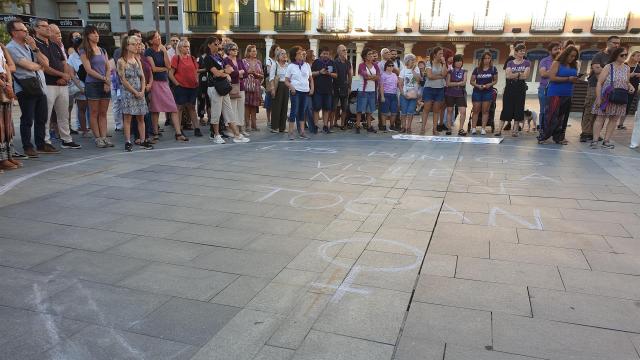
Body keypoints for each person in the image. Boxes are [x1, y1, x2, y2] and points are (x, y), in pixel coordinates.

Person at [6, 19, 51, 157]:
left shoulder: (30, 46)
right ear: (14, 33)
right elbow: (29, 66)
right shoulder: (11, 48)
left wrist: (35, 48)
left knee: (41, 117)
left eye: (26, 30)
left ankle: (41, 143)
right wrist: (40, 66)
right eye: (23, 30)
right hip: (25, 87)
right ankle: (27, 146)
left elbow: (46, 63)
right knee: (27, 118)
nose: (26, 32)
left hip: (39, 86)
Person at [33, 19, 79, 151]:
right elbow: (44, 66)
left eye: (49, 27)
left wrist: (65, 77)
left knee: (63, 114)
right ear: (36, 29)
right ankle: (45, 141)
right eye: (44, 26)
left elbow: (64, 62)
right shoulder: (35, 45)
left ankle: (66, 139)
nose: (47, 29)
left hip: (62, 84)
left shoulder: (55, 45)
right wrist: (62, 75)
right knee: (46, 115)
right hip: (48, 84)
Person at [202, 36, 249, 144]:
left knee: (229, 111)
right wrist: (226, 72)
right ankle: (216, 135)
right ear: (209, 45)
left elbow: (227, 67)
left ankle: (237, 135)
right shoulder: (208, 58)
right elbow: (216, 73)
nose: (218, 46)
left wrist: (226, 71)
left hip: (223, 87)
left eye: (218, 44)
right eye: (215, 44)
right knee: (216, 112)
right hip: (214, 87)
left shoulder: (218, 56)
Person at [145, 31, 188, 142]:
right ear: (151, 40)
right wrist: (165, 68)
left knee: (173, 107)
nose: (159, 38)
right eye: (156, 37)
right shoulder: (148, 52)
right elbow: (154, 69)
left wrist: (164, 52)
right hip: (155, 82)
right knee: (155, 109)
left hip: (164, 82)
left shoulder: (162, 50)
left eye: (159, 37)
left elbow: (169, 65)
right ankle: (155, 133)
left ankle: (178, 134)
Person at [592, 47, 634, 149]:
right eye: (622, 55)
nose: (624, 57)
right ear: (616, 55)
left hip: (620, 96)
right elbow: (599, 83)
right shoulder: (608, 67)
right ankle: (595, 141)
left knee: (614, 119)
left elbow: (626, 81)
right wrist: (598, 97)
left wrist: (630, 86)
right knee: (600, 118)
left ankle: (606, 141)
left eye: (625, 55)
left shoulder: (627, 68)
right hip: (606, 96)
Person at [538, 46, 579, 145]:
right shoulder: (557, 63)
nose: (572, 58)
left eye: (575, 57)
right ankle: (544, 136)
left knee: (562, 117)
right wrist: (568, 79)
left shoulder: (574, 65)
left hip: (568, 93)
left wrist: (575, 79)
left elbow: (573, 78)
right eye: (571, 56)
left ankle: (558, 137)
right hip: (555, 93)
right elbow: (552, 78)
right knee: (551, 116)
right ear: (566, 54)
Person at [79, 25, 112, 148]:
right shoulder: (84, 50)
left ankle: (104, 137)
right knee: (94, 112)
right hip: (92, 84)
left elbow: (108, 67)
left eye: (97, 33)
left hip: (104, 83)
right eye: (93, 33)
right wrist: (104, 79)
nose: (96, 35)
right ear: (87, 35)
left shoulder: (102, 50)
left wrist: (107, 81)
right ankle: (97, 138)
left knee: (103, 112)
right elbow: (89, 70)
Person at [118, 35, 152, 151]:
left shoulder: (137, 59)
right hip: (128, 93)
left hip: (139, 92)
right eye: (134, 44)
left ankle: (143, 140)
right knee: (128, 118)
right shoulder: (121, 61)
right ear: (127, 46)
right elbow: (123, 80)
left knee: (141, 117)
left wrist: (142, 91)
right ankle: (127, 141)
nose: (137, 46)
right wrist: (134, 92)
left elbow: (142, 77)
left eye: (137, 44)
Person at [497, 44, 530, 137]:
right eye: (521, 51)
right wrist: (519, 74)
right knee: (506, 108)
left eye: (524, 51)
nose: (522, 52)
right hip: (510, 88)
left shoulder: (527, 62)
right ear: (516, 52)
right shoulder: (510, 62)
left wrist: (514, 74)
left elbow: (526, 76)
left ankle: (515, 131)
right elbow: (508, 75)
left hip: (520, 88)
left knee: (518, 108)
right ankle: (499, 130)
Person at [169, 39, 200, 137]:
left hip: (192, 87)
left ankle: (197, 128)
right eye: (185, 46)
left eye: (188, 46)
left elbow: (196, 71)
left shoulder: (192, 58)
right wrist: (177, 84)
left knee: (192, 108)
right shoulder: (176, 58)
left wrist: (197, 81)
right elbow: (170, 73)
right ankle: (179, 130)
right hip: (181, 87)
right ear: (180, 48)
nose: (187, 48)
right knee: (180, 108)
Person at [285, 45, 314, 140]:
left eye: (302, 52)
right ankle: (291, 132)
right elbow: (286, 80)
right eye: (299, 53)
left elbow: (310, 78)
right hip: (295, 91)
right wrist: (291, 87)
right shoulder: (291, 66)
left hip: (305, 91)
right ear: (295, 55)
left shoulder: (307, 65)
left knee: (302, 111)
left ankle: (302, 132)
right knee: (294, 111)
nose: (302, 54)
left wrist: (312, 88)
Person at [0, 42, 21, 170]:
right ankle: (2, 158)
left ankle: (7, 155)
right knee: (0, 125)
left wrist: (8, 84)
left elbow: (9, 66)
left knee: (7, 124)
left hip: (4, 83)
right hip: (2, 84)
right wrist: (5, 85)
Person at [224, 42, 249, 137]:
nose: (236, 51)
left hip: (241, 87)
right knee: (232, 109)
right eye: (233, 49)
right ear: (228, 50)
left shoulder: (239, 60)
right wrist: (239, 72)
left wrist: (237, 72)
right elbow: (231, 73)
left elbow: (245, 73)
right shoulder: (226, 60)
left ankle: (241, 128)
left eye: (236, 49)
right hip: (232, 87)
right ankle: (231, 129)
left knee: (240, 109)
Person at [421, 47, 447, 135]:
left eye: (442, 54)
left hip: (440, 89)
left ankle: (434, 129)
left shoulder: (443, 64)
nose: (442, 55)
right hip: (429, 88)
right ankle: (422, 129)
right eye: (440, 53)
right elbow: (429, 76)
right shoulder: (429, 63)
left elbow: (444, 74)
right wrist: (440, 76)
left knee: (436, 110)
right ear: (435, 54)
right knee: (426, 109)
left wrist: (444, 63)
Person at [470, 52, 497, 135]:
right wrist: (477, 85)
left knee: (485, 111)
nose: (487, 60)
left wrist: (490, 84)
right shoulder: (477, 69)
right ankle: (473, 128)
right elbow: (471, 81)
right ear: (482, 59)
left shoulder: (493, 69)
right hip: (477, 92)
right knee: (476, 110)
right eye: (485, 58)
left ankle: (483, 129)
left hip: (488, 92)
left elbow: (495, 80)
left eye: (489, 58)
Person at [537, 42, 561, 134]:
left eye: (559, 49)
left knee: (555, 111)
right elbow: (543, 74)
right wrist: (555, 72)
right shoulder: (545, 61)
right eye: (555, 49)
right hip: (544, 89)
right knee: (544, 110)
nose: (558, 51)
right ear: (550, 51)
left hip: (557, 89)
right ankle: (542, 130)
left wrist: (550, 73)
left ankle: (553, 131)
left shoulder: (562, 62)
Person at [312, 46, 336, 134]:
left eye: (327, 54)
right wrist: (320, 72)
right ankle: (315, 126)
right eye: (324, 53)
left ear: (329, 55)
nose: (325, 55)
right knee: (316, 108)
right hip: (318, 89)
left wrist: (329, 73)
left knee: (327, 109)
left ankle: (325, 126)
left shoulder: (332, 63)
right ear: (320, 54)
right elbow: (310, 74)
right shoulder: (316, 62)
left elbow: (336, 75)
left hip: (328, 90)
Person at [67, 36, 88, 137]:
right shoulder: (72, 57)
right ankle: (84, 130)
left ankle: (99, 129)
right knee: (82, 108)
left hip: (92, 84)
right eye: (80, 47)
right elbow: (71, 74)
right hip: (81, 86)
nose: (82, 49)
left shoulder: (90, 54)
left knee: (94, 109)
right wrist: (81, 88)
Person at [356, 48, 379, 134]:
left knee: (369, 110)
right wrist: (373, 76)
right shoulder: (361, 65)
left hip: (372, 90)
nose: (371, 56)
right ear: (365, 56)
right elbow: (365, 76)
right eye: (369, 54)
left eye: (372, 54)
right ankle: (357, 125)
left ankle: (369, 126)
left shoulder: (375, 65)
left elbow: (378, 77)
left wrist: (372, 76)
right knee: (360, 109)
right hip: (363, 90)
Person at [444, 54, 467, 136]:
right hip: (450, 93)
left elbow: (464, 82)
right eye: (457, 61)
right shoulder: (450, 71)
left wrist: (455, 83)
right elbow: (448, 83)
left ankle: (461, 129)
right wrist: (458, 83)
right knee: (450, 111)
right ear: (454, 62)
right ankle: (449, 128)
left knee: (463, 111)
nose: (459, 62)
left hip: (460, 93)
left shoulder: (464, 71)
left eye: (460, 61)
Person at [242, 44, 264, 132]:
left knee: (254, 106)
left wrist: (256, 74)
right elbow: (241, 73)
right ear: (248, 52)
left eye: (255, 51)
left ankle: (254, 124)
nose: (255, 52)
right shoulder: (243, 61)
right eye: (253, 51)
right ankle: (247, 125)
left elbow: (262, 75)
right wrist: (248, 72)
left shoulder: (258, 62)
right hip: (246, 85)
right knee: (246, 105)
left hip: (256, 86)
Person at [581, 62, 603, 142]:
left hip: (604, 88)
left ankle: (594, 132)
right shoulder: (599, 56)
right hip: (594, 87)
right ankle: (585, 133)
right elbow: (596, 70)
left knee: (599, 112)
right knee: (589, 110)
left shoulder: (611, 59)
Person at [398, 54, 421, 134]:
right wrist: (403, 93)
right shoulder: (403, 71)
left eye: (414, 60)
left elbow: (418, 80)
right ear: (407, 61)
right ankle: (403, 127)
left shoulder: (416, 69)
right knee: (404, 112)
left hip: (413, 94)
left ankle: (409, 127)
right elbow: (400, 84)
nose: (413, 62)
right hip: (404, 94)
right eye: (412, 60)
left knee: (410, 112)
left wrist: (413, 70)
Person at [332, 44, 352, 130]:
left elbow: (350, 75)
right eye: (343, 50)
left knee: (344, 107)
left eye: (346, 50)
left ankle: (342, 124)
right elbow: (332, 76)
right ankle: (333, 123)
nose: (345, 52)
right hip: (336, 87)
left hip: (344, 87)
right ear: (339, 52)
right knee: (334, 107)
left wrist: (349, 87)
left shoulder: (348, 62)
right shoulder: (334, 62)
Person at [269, 48, 289, 133]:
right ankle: (275, 127)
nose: (284, 55)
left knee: (284, 107)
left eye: (285, 53)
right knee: (277, 107)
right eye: (282, 54)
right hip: (278, 86)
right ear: (278, 56)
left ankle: (282, 127)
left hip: (286, 86)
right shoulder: (275, 64)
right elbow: (271, 77)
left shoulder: (288, 65)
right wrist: (273, 89)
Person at [620, 51, 640, 130]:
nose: (639, 58)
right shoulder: (625, 65)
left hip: (633, 88)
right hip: (623, 87)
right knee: (620, 104)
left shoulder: (638, 66)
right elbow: (620, 75)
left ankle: (621, 124)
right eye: (638, 56)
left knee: (627, 105)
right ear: (632, 56)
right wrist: (630, 75)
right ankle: (613, 121)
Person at [379, 60, 399, 133]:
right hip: (386, 94)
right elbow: (381, 86)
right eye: (389, 66)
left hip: (394, 94)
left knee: (394, 112)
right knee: (384, 112)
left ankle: (392, 125)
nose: (391, 67)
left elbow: (398, 85)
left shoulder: (394, 75)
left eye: (392, 65)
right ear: (386, 67)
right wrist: (382, 96)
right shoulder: (383, 75)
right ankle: (384, 126)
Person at [264, 44, 280, 127]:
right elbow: (269, 72)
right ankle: (268, 120)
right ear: (273, 51)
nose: (278, 51)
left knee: (276, 102)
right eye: (277, 49)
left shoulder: (279, 60)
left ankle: (275, 119)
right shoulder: (269, 60)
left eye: (279, 49)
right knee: (269, 102)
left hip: (278, 83)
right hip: (271, 83)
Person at [197, 43, 211, 126]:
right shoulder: (199, 58)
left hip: (211, 82)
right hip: (202, 83)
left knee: (210, 101)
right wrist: (206, 69)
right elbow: (196, 70)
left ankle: (210, 117)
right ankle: (201, 118)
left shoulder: (212, 57)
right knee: (201, 101)